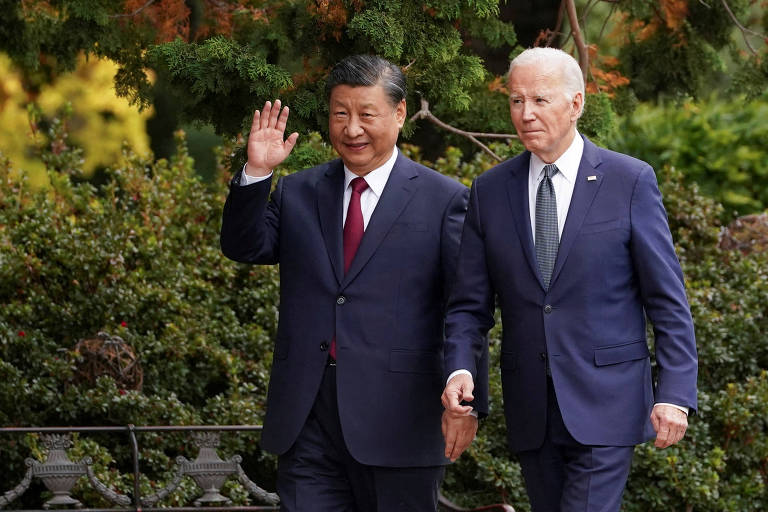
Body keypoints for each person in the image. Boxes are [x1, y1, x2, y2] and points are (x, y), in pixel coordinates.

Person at [441, 47, 698, 511]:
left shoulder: (630, 180)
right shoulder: (489, 191)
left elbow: (667, 299)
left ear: (576, 103)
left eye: (540, 100)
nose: (525, 113)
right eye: (516, 101)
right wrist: (460, 368)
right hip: (531, 410)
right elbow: (468, 306)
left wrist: (675, 393)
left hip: (608, 403)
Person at [221, 54, 478, 512]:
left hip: (400, 419)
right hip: (309, 415)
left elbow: (466, 306)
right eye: (341, 114)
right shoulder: (299, 192)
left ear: (399, 114)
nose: (352, 128)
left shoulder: (445, 200)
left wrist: (470, 395)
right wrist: (258, 172)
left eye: (366, 114)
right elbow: (245, 246)